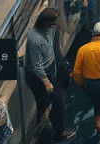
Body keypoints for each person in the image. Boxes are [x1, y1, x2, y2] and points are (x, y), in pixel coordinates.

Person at [25, 8, 77, 142]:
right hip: (40, 77)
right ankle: (58, 135)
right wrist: (47, 81)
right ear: (47, 22)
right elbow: (36, 66)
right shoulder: (35, 39)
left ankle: (43, 131)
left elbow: (54, 51)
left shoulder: (50, 31)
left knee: (46, 104)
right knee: (55, 103)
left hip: (50, 71)